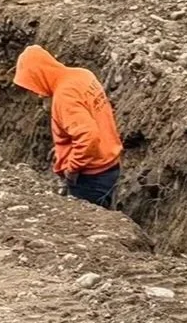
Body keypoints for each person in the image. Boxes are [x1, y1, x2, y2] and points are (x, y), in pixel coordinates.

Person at [12, 45, 123, 207]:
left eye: (34, 84)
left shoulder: (64, 95)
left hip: (90, 176)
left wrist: (72, 169)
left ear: (41, 75)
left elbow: (88, 136)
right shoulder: (83, 75)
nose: (37, 93)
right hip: (109, 165)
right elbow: (92, 119)